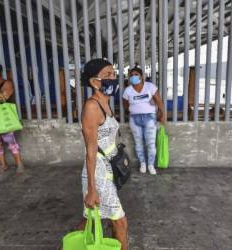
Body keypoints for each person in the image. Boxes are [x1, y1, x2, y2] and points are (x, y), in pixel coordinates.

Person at [79, 58, 128, 250]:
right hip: (98, 172)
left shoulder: (106, 103)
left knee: (90, 219)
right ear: (94, 82)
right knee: (120, 221)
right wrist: (92, 189)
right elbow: (90, 150)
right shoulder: (92, 107)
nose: (113, 78)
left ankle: (73, 244)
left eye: (113, 74)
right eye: (107, 75)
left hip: (109, 169)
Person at [122, 66, 165, 175]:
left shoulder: (150, 87)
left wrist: (162, 115)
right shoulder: (128, 90)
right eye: (131, 75)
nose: (133, 77)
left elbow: (159, 101)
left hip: (149, 118)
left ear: (141, 76)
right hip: (134, 119)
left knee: (150, 143)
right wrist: (134, 109)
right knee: (138, 143)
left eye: (136, 74)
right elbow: (125, 105)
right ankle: (143, 164)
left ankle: (150, 165)